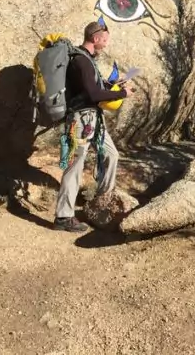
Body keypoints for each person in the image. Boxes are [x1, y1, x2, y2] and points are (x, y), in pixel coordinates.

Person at [53, 20, 132, 232]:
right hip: (80, 121)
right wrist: (122, 93)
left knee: (111, 155)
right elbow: (94, 94)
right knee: (74, 166)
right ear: (95, 39)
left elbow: (94, 88)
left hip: (94, 119)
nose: (106, 44)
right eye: (105, 40)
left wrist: (112, 85)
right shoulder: (81, 60)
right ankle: (63, 217)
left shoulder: (88, 61)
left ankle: (103, 199)